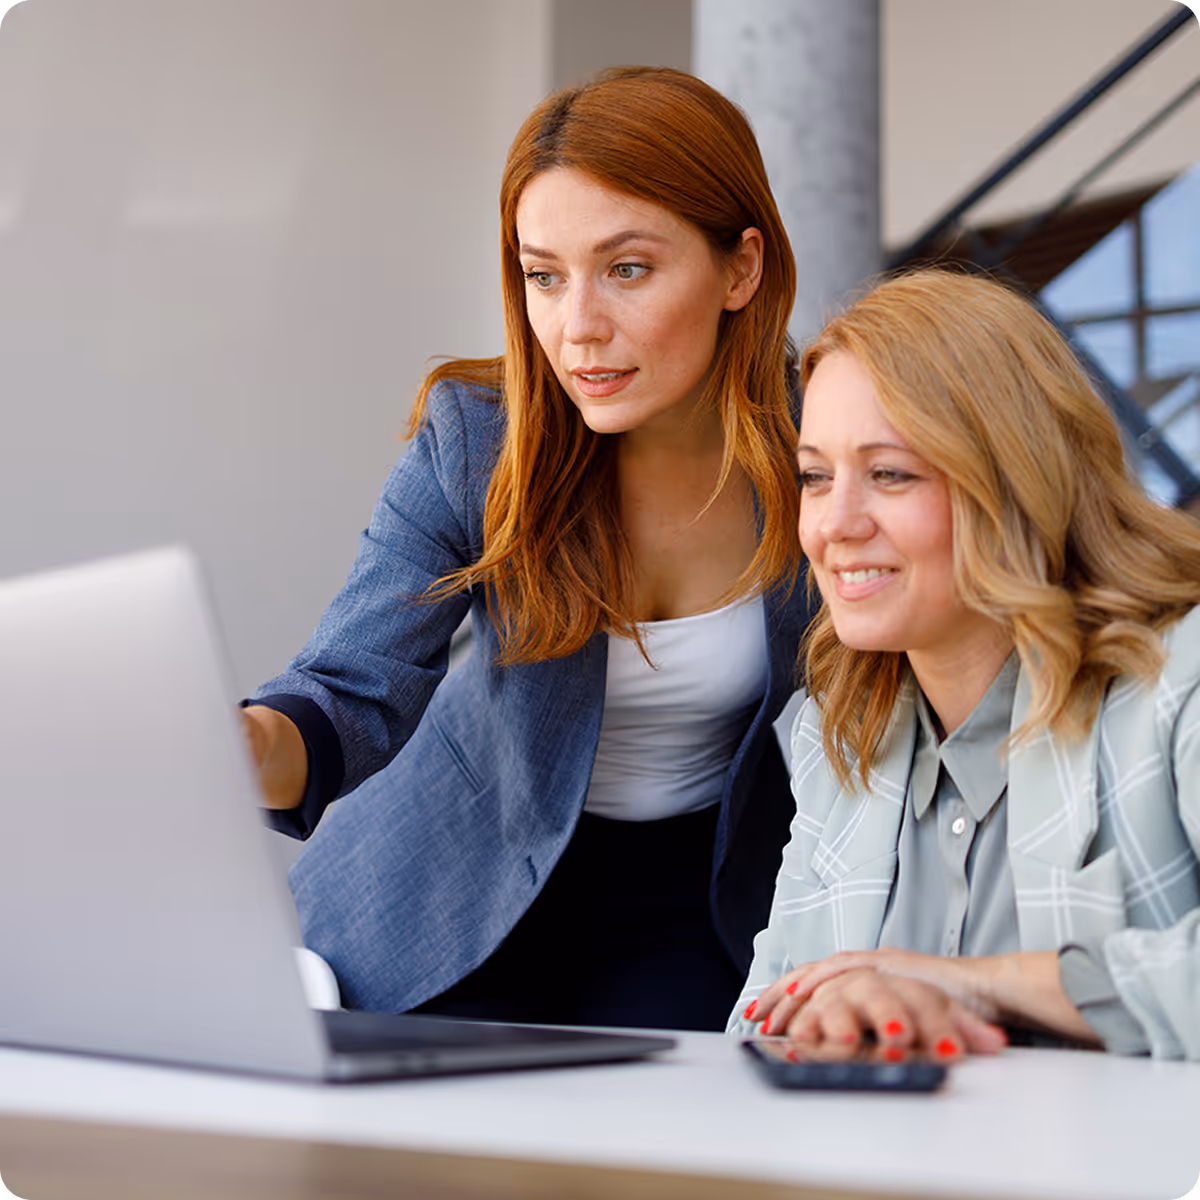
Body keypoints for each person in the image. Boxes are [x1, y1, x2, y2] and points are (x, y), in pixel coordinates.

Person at [241, 67, 818, 1031]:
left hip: (706, 906)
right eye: (543, 274)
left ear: (741, 268)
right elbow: (348, 694)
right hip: (451, 887)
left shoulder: (826, 444)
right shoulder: (479, 438)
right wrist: (237, 746)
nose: (576, 326)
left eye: (626, 269)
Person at [731, 268, 1200, 1059]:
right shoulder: (832, 734)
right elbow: (760, 1018)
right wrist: (834, 1020)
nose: (833, 524)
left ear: (1013, 482)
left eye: (889, 474)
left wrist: (975, 981)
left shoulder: (1177, 684)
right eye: (815, 476)